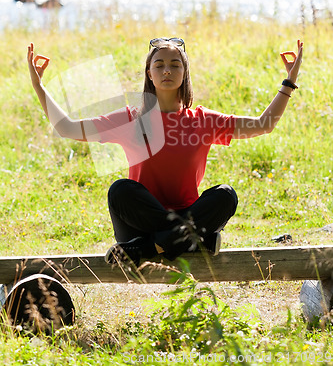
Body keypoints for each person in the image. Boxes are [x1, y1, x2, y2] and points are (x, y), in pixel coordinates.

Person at [27, 38, 303, 267]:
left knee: (225, 195)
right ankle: (191, 241)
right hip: (139, 226)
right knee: (121, 190)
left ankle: (151, 248)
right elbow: (67, 128)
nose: (167, 71)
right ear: (149, 73)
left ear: (185, 73)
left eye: (175, 64)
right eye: (159, 65)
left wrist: (288, 82)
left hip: (151, 237)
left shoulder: (203, 120)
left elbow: (263, 125)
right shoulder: (130, 118)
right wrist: (39, 86)